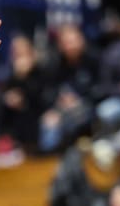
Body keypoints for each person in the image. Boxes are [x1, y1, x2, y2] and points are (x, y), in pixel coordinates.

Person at [39, 24, 101, 153]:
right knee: (49, 123)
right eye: (67, 42)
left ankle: (70, 162)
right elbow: (47, 92)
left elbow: (102, 89)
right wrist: (55, 105)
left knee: (72, 122)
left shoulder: (95, 60)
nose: (71, 46)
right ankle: (52, 162)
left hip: (88, 106)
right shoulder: (54, 65)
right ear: (60, 46)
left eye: (74, 41)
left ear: (82, 40)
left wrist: (79, 100)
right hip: (61, 108)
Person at [0, 35, 48, 152]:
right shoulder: (10, 72)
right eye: (16, 51)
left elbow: (42, 96)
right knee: (2, 104)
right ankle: (6, 139)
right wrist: (9, 97)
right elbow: (6, 91)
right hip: (16, 114)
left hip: (37, 112)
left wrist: (24, 79)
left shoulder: (40, 70)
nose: (19, 54)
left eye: (22, 50)